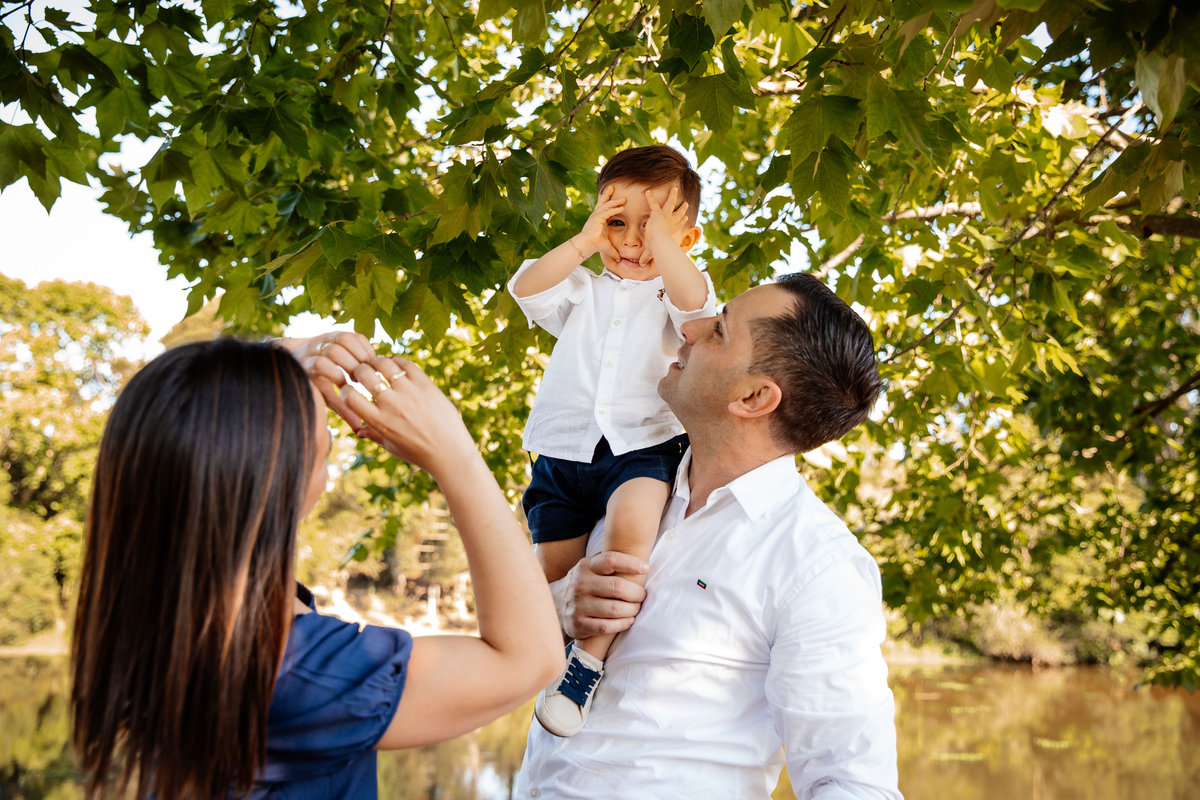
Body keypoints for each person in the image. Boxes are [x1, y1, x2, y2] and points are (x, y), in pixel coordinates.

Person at [70, 333, 564, 800]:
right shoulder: (296, 674)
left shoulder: (167, 623)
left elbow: (185, 417)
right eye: (321, 439)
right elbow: (529, 660)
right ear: (275, 483)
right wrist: (453, 453)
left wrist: (279, 359)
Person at [516, 274, 903, 799]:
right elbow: (512, 643)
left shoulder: (819, 566)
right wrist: (562, 604)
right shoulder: (614, 487)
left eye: (719, 329)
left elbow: (854, 786)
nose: (689, 328)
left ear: (753, 397)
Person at [508, 145, 717, 737]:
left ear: (687, 237)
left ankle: (586, 666)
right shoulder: (583, 289)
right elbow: (527, 287)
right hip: (564, 452)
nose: (630, 241)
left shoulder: (676, 295)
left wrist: (666, 245)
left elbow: (700, 315)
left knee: (627, 547)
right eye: (617, 222)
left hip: (642, 448)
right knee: (551, 574)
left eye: (649, 226)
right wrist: (582, 241)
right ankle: (544, 661)